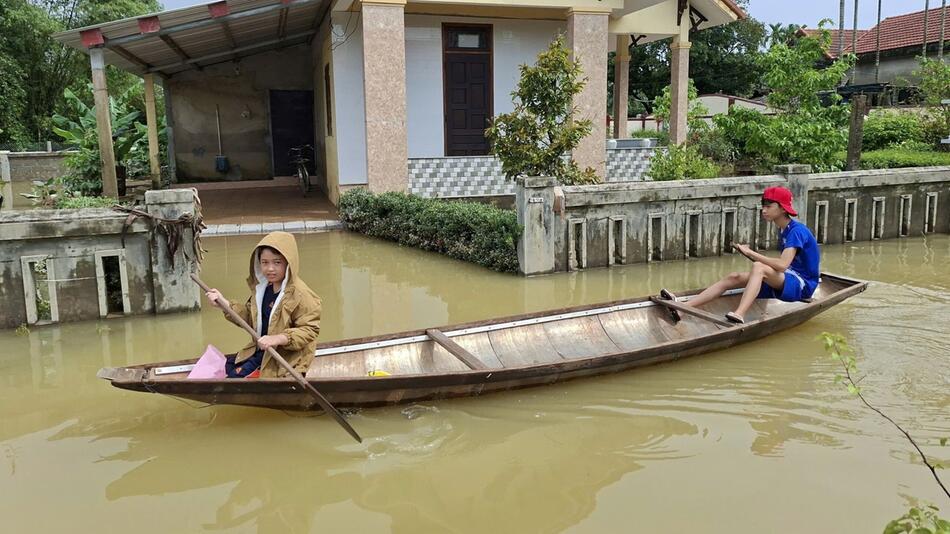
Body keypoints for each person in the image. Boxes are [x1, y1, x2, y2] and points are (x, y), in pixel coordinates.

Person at [661, 186, 820, 324]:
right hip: (788, 276)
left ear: (783, 209)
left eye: (768, 206)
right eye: (763, 206)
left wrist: (752, 253)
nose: (763, 210)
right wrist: (748, 254)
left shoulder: (796, 231)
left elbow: (782, 265)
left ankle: (739, 314)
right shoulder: (784, 229)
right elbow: (781, 267)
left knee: (759, 267)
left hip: (803, 284)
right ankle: (683, 308)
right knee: (734, 277)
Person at [204, 231, 322, 378]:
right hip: (261, 351)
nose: (270, 268)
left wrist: (277, 339)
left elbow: (309, 331)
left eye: (277, 262)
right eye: (265, 262)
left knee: (234, 378)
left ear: (289, 263)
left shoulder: (302, 295)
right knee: (224, 366)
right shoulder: (263, 288)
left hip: (284, 359)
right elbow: (250, 317)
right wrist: (225, 304)